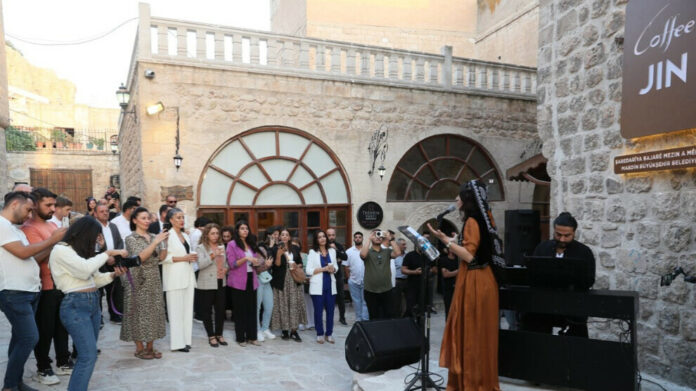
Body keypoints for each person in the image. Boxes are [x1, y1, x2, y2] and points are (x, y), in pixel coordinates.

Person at [428, 179, 501, 391]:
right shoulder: (487, 217)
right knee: (481, 335)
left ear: (468, 199)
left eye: (459, 195)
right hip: (486, 278)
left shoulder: (471, 221)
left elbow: (469, 255)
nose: (456, 199)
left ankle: (471, 384)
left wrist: (446, 240)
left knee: (471, 333)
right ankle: (483, 381)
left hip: (475, 280)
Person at [48, 216, 127, 391]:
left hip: (92, 305)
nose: (95, 242)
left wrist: (114, 275)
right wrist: (107, 253)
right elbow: (84, 271)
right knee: (88, 355)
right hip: (75, 305)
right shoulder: (61, 250)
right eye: (94, 237)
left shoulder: (78, 252)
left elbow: (95, 280)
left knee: (88, 355)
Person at [0, 191, 66, 391]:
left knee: (20, 337)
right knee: (30, 337)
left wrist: (54, 244)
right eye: (28, 210)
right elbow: (22, 253)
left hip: (28, 290)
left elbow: (32, 256)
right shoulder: (2, 226)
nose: (30, 215)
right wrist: (51, 239)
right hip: (13, 291)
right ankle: (10, 386)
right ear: (14, 205)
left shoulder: (14, 229)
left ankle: (16, 382)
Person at [21, 188, 73, 385]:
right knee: (45, 329)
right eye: (48, 205)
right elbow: (34, 258)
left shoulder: (52, 225)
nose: (53, 208)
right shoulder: (29, 228)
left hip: (61, 283)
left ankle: (63, 361)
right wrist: (55, 242)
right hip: (45, 286)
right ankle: (44, 367)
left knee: (62, 326)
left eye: (54, 205)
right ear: (35, 205)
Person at [520, 212, 596, 337]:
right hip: (544, 304)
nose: (562, 239)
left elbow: (589, 280)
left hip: (572, 305)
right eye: (558, 234)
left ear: (574, 233)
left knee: (576, 340)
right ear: (554, 231)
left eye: (567, 236)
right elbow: (532, 275)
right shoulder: (542, 248)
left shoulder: (584, 252)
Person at [120, 207, 169, 359]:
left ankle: (150, 347)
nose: (147, 221)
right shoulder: (131, 238)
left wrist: (165, 243)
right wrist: (156, 242)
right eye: (143, 218)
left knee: (154, 311)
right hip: (138, 278)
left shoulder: (154, 236)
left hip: (154, 277)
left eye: (148, 218)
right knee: (138, 313)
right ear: (134, 220)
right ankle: (139, 347)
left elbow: (161, 257)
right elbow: (140, 257)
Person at [160, 208, 198, 352]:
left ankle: (186, 340)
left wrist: (191, 257)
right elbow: (161, 259)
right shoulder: (166, 236)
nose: (181, 220)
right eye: (178, 217)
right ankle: (177, 343)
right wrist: (184, 258)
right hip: (174, 278)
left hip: (188, 276)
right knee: (175, 312)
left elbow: (188, 254)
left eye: (182, 217)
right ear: (170, 220)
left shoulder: (185, 235)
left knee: (188, 311)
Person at [226, 221, 267, 346]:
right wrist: (246, 258)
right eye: (242, 228)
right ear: (237, 230)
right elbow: (232, 264)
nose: (245, 231)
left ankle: (252, 337)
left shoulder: (250, 243)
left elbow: (255, 260)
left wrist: (257, 262)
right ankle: (240, 338)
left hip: (251, 279)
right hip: (238, 281)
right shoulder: (231, 244)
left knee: (252, 309)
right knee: (240, 310)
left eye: (247, 228)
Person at [270, 228, 308, 341]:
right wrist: (279, 254)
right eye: (283, 235)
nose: (285, 236)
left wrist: (296, 266)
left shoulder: (295, 248)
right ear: (280, 237)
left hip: (294, 280)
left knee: (294, 305)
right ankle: (285, 331)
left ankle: (294, 331)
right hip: (281, 281)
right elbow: (276, 265)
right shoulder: (275, 248)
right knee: (283, 305)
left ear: (289, 237)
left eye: (287, 235)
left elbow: (301, 263)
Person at [196, 223, 229, 347]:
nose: (215, 236)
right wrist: (213, 254)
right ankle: (211, 335)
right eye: (212, 233)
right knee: (207, 311)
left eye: (217, 233)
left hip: (221, 281)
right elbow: (200, 265)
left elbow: (226, 263)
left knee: (220, 310)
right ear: (207, 235)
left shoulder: (222, 246)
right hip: (206, 283)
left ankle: (219, 334)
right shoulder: (200, 248)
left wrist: (226, 269)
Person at [359, 229, 401, 320]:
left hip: (386, 289)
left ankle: (385, 333)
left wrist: (390, 239)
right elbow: (362, 255)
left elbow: (398, 253)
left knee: (387, 315)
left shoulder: (387, 251)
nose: (378, 237)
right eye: (375, 235)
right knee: (373, 316)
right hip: (371, 290)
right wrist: (369, 239)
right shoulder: (368, 252)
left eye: (379, 235)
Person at [95, 204, 125, 324]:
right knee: (99, 291)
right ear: (96, 214)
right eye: (101, 211)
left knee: (115, 290)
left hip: (114, 263)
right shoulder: (93, 227)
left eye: (107, 211)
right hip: (100, 263)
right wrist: (106, 256)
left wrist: (115, 256)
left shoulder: (113, 226)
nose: (105, 213)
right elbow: (94, 245)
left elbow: (119, 242)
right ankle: (99, 319)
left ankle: (116, 315)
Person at [306, 230, 338, 344]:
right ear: (316, 240)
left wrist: (333, 269)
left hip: (330, 285)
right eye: (319, 237)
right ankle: (319, 333)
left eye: (324, 236)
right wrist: (323, 269)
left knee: (331, 311)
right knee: (318, 311)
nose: (323, 238)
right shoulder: (312, 252)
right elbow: (308, 270)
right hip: (317, 287)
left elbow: (336, 267)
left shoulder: (332, 251)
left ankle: (329, 333)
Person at [401, 232, 437, 319]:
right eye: (421, 243)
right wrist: (415, 272)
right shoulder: (410, 255)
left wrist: (429, 270)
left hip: (425, 287)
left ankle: (420, 328)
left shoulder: (430, 255)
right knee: (411, 309)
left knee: (422, 311)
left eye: (425, 243)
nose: (422, 245)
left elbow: (435, 269)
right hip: (412, 287)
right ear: (417, 244)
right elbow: (403, 270)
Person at [256, 227, 278, 341]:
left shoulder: (276, 247)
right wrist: (270, 247)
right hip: (259, 278)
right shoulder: (260, 247)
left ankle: (265, 328)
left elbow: (275, 263)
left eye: (277, 235)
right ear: (268, 235)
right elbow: (261, 265)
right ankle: (258, 330)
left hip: (267, 279)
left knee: (269, 306)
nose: (276, 237)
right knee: (258, 307)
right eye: (274, 234)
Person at [326, 228, 348, 325]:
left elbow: (345, 257)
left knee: (341, 297)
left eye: (333, 235)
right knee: (327, 297)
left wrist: (336, 250)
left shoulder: (338, 245)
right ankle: (328, 317)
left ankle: (342, 317)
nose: (331, 237)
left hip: (338, 275)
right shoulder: (323, 246)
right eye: (329, 235)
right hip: (326, 275)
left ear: (335, 235)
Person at [345, 231, 369, 322]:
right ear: (354, 239)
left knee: (365, 301)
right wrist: (349, 279)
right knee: (356, 301)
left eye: (360, 237)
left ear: (362, 239)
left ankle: (365, 319)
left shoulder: (367, 250)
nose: (358, 238)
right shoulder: (349, 252)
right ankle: (358, 319)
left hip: (366, 280)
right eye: (356, 237)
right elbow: (346, 267)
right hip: (353, 281)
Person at [438, 246, 459, 319]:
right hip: (447, 288)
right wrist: (457, 272)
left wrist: (451, 273)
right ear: (449, 249)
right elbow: (445, 274)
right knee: (449, 309)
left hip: (457, 287)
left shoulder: (458, 261)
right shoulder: (443, 260)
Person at [392, 238, 408, 317]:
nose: (405, 246)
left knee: (407, 301)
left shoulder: (407, 255)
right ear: (397, 246)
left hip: (407, 280)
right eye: (403, 244)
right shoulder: (394, 256)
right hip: (397, 281)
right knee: (396, 302)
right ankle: (397, 317)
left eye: (405, 244)